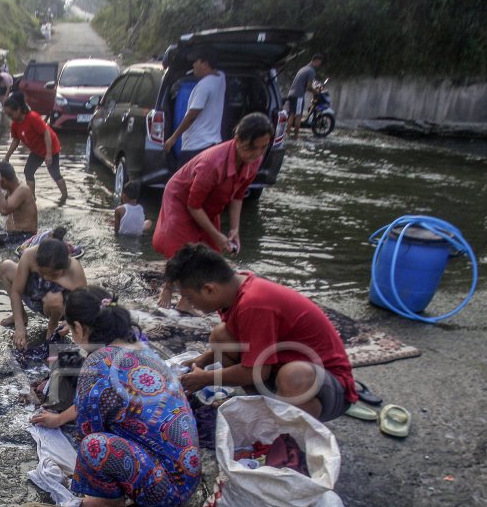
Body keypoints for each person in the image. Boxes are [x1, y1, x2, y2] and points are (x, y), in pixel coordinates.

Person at [32, 286, 200, 507]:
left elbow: (88, 433)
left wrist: (90, 485)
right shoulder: (145, 352)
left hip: (165, 492)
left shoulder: (97, 363)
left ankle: (109, 505)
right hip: (185, 476)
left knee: (93, 446)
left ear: (79, 328)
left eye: (71, 329)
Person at [165, 243, 359, 422]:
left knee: (293, 375)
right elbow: (248, 341)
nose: (190, 303)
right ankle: (268, 411)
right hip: (283, 368)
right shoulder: (235, 290)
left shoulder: (254, 304)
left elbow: (256, 371)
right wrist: (203, 360)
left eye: (189, 297)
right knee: (220, 336)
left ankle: (293, 436)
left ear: (209, 289)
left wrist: (206, 378)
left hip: (329, 388)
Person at [153, 112, 273, 314]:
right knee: (185, 247)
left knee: (209, 250)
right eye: (252, 148)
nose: (257, 154)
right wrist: (218, 235)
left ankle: (186, 300)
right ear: (238, 140)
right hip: (181, 199)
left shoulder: (254, 161)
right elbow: (193, 205)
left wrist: (234, 229)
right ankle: (167, 287)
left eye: (263, 148)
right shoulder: (212, 163)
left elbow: (238, 195)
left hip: (208, 203)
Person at [0, 238, 86, 350]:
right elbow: (16, 290)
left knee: (55, 297)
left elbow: (83, 301)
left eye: (54, 275)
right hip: (35, 292)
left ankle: (51, 330)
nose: (47, 278)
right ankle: (20, 316)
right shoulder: (29, 255)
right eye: (42, 273)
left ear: (64, 269)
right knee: (6, 267)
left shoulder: (74, 268)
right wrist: (19, 326)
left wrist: (70, 321)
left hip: (58, 307)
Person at [163, 47, 226, 165]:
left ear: (205, 64)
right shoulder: (221, 77)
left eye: (196, 62)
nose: (193, 65)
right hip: (213, 144)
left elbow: (191, 116)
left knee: (182, 182)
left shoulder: (203, 86)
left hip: (195, 147)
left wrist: (173, 139)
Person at [2, 92, 68, 203]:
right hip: (37, 150)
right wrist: (7, 156)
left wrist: (48, 154)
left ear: (18, 109)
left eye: (11, 114)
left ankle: (64, 196)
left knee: (54, 173)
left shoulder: (32, 118)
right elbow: (16, 140)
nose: (10, 117)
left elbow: (46, 133)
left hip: (50, 147)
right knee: (28, 171)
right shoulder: (15, 124)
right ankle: (31, 199)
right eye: (8, 115)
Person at [0, 161, 38, 248]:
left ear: (3, 181)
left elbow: (4, 211)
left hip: (26, 237)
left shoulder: (23, 190)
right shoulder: (11, 189)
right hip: (11, 233)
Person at [286, 53, 325, 139]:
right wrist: (316, 92)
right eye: (319, 63)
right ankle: (296, 136)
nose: (319, 65)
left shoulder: (303, 68)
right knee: (299, 116)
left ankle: (287, 135)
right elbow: (308, 87)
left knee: (291, 115)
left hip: (291, 94)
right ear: (316, 61)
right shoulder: (311, 71)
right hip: (298, 96)